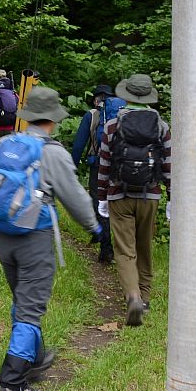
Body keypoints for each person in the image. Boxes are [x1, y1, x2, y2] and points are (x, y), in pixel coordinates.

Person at [0, 87, 103, 391]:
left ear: (27, 115)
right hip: (35, 240)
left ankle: (35, 359)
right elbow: (74, 198)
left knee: (23, 301)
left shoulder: (5, 144)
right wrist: (96, 228)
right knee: (29, 311)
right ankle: (13, 385)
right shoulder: (53, 153)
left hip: (3, 240)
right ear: (53, 120)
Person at [96, 74, 172, 327]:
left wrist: (102, 196)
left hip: (119, 195)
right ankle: (146, 297)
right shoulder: (162, 126)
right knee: (144, 246)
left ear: (126, 95)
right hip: (150, 195)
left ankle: (133, 297)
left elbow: (104, 164)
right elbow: (168, 165)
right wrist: (172, 197)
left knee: (125, 251)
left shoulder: (112, 126)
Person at [70, 84, 126, 263]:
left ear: (96, 99)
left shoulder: (92, 115)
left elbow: (79, 144)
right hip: (122, 168)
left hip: (99, 166)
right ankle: (124, 250)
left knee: (100, 203)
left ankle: (106, 248)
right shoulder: (123, 114)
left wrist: (72, 166)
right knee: (118, 205)